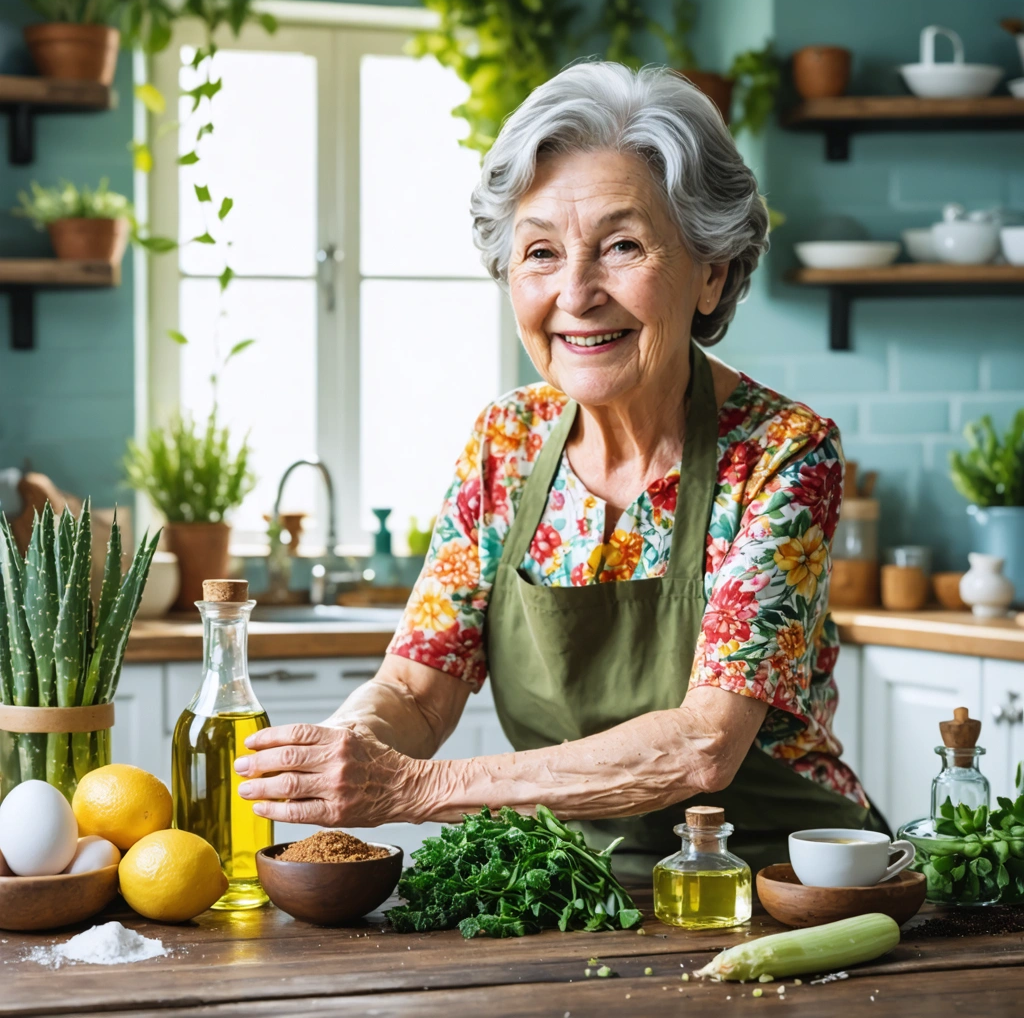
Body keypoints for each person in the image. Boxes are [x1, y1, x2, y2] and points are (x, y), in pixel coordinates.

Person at [234, 62, 885, 873]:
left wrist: (415, 791)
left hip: (768, 885)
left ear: (711, 271)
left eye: (622, 246)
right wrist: (345, 750)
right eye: (540, 251)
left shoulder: (783, 453)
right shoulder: (505, 443)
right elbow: (414, 687)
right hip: (575, 893)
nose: (576, 294)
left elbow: (702, 747)